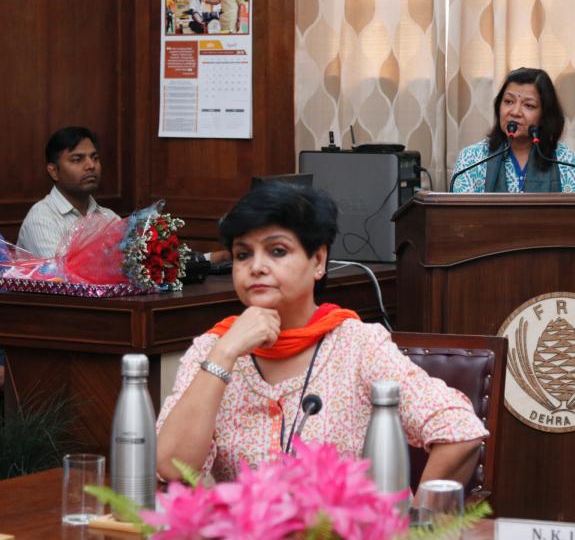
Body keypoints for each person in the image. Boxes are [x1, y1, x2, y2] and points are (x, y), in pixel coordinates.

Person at [156, 182, 486, 484]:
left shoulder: (358, 346)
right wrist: (225, 354)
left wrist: (417, 520)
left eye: (277, 251)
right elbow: (171, 467)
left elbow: (460, 432)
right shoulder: (212, 350)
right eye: (243, 255)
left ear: (318, 261)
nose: (256, 267)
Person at [450, 67, 575, 193]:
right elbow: (460, 210)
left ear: (545, 114)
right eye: (508, 101)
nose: (515, 112)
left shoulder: (563, 158)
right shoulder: (472, 159)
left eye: (529, 105)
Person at [17, 127, 118, 258]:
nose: (91, 165)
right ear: (54, 171)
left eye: (95, 158)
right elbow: (60, 271)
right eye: (77, 159)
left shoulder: (110, 218)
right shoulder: (41, 219)